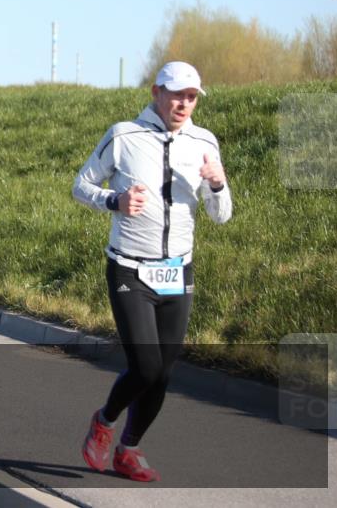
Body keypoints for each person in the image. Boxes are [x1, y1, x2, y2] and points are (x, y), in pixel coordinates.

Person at [73, 61, 232, 482]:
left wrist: (217, 184)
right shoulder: (123, 136)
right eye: (177, 95)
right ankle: (105, 421)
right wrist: (115, 201)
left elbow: (221, 215)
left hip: (178, 271)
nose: (184, 104)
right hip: (130, 268)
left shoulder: (204, 142)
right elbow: (81, 186)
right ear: (156, 92)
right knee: (144, 366)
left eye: (192, 97)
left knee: (162, 374)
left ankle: (129, 450)